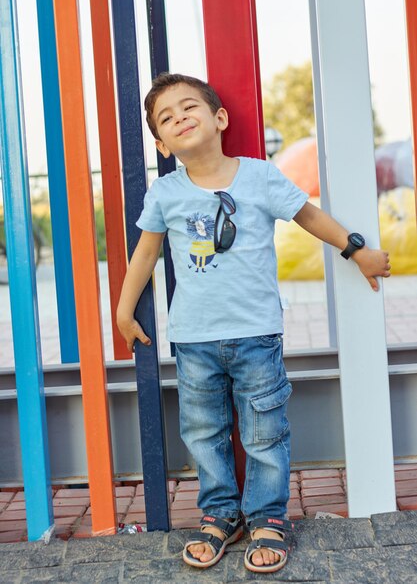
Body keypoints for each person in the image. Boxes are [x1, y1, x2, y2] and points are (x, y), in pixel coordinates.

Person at [117, 73, 390, 574]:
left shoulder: (260, 177)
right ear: (161, 143)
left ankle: (267, 518)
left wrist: (357, 250)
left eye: (188, 107)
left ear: (219, 118)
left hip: (257, 335)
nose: (180, 118)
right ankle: (221, 515)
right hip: (194, 339)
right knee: (203, 432)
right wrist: (123, 307)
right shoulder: (166, 192)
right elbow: (146, 253)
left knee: (265, 431)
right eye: (167, 117)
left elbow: (307, 215)